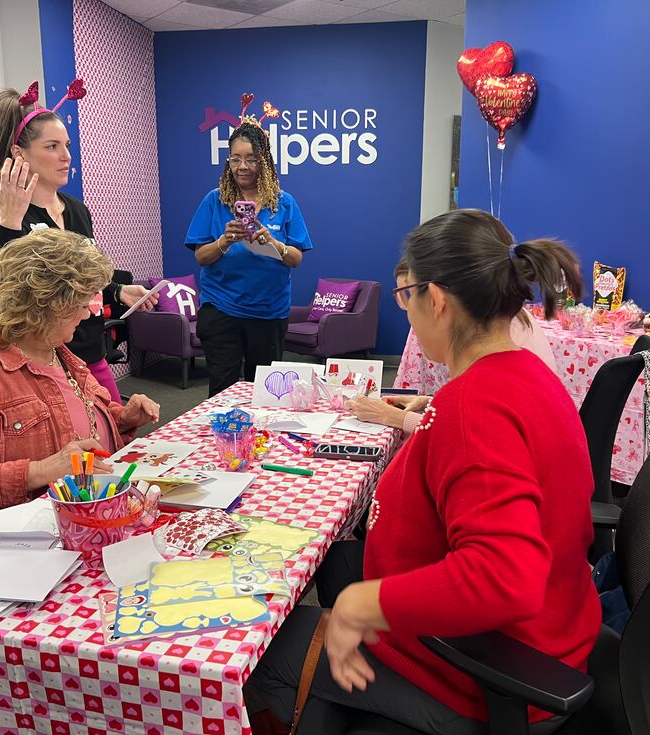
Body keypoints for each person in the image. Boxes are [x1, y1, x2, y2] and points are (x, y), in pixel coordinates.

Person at [245, 209, 601, 734]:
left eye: (405, 295)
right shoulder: (526, 374)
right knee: (332, 578)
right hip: (544, 637)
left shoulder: (472, 408)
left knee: (259, 649)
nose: (405, 310)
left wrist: (360, 604)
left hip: (482, 670)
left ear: (434, 299)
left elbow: (506, 577)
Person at [0, 229, 161, 536]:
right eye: (78, 303)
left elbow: (79, 428)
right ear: (40, 306)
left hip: (73, 522)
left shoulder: (59, 354)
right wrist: (40, 471)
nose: (87, 312)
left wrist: (122, 419)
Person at [0, 84, 155, 403]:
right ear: (20, 154)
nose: (66, 156)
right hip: (37, 362)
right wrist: (10, 224)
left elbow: (78, 276)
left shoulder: (76, 210)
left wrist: (116, 290)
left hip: (89, 353)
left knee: (116, 437)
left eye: (67, 145)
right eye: (52, 146)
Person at [184, 100, 313, 397]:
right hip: (222, 310)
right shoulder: (214, 200)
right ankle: (224, 442)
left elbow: (296, 259)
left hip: (269, 313)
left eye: (251, 159)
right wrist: (223, 241)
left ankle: (257, 444)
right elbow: (201, 257)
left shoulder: (284, 202)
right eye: (235, 159)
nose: (242, 166)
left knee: (265, 394)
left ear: (264, 161)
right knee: (222, 392)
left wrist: (274, 243)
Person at [349, 260, 560, 433]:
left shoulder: (488, 377)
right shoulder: (507, 347)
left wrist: (392, 416)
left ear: (436, 300)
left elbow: (469, 433)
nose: (408, 313)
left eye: (409, 296)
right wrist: (431, 402)